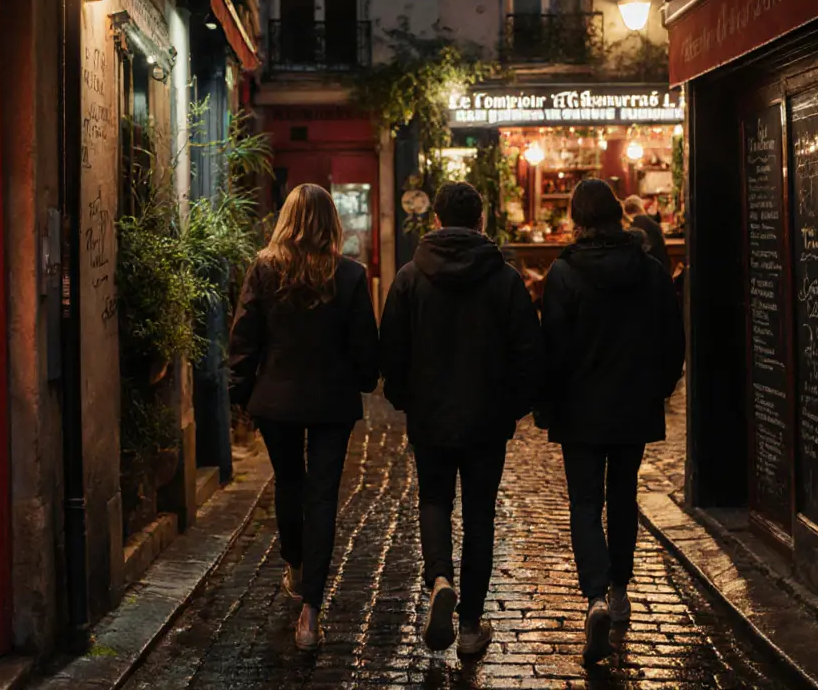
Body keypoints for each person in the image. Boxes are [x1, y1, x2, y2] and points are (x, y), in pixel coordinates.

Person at [380, 182, 543, 657]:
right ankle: (470, 624)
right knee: (479, 515)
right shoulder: (504, 279)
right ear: (481, 221)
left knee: (434, 500)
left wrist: (404, 397)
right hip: (487, 418)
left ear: (435, 220)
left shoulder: (410, 277)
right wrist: (513, 406)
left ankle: (439, 580)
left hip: (430, 414)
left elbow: (391, 349)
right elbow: (529, 352)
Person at [536, 179, 684, 662]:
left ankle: (595, 595)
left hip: (579, 407)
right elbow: (672, 340)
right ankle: (619, 589)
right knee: (622, 497)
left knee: (584, 502)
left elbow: (552, 349)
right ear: (618, 214)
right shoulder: (651, 271)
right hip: (632, 404)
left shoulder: (563, 273)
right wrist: (659, 388)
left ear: (577, 218)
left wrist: (547, 402)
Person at [228, 183, 380, 651]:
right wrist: (363, 379)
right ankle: (311, 611)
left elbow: (244, 338)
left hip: (277, 400)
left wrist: (243, 394)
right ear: (331, 223)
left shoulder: (264, 269)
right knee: (323, 497)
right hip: (332, 401)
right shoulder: (350, 275)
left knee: (290, 483)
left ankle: (295, 565)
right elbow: (365, 347)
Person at [623, 194, 672, 274]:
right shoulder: (653, 224)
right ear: (640, 208)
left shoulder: (625, 227)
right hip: (657, 272)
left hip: (635, 274)